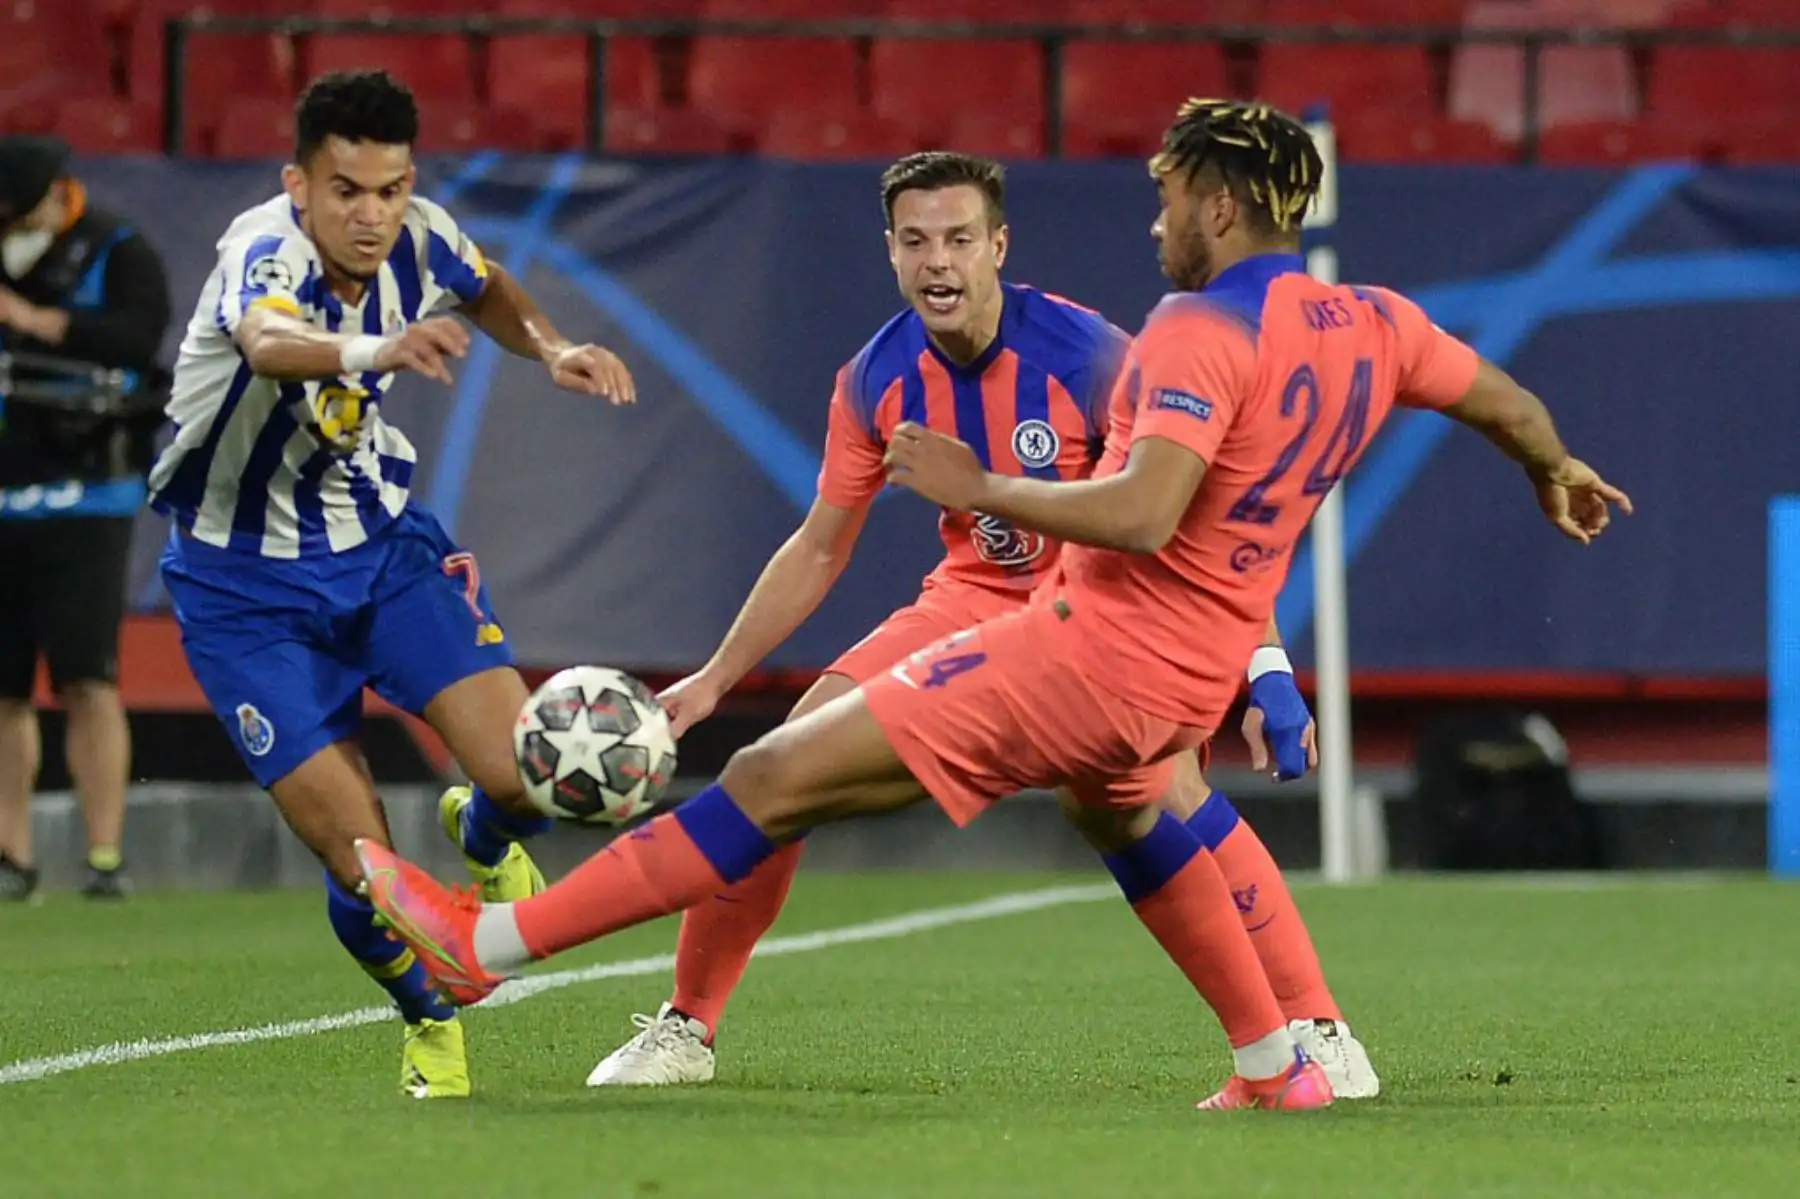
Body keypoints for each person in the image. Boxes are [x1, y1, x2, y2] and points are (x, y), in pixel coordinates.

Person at [356, 98, 1630, 1111]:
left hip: (1091, 644)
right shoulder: (1380, 320)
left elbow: (1143, 512)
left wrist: (987, 485)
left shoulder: (1170, 334)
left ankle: (493, 943)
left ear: (1226, 205)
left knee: (768, 786)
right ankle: (1275, 1059)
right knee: (1124, 814)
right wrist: (1556, 465)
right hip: (1132, 649)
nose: (1157, 228)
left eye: (1174, 200)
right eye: (916, 236)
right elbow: (1503, 405)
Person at [584, 150, 1374, 1099]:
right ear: (890, 252)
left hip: (1111, 611)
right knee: (787, 758)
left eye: (960, 238)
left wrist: (1269, 668)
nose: (939, 262)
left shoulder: (1094, 357)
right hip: (974, 598)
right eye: (916, 241)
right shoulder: (875, 376)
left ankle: (1313, 1025)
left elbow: (1200, 521)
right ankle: (687, 1026)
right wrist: (715, 676)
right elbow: (821, 545)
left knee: (1162, 790)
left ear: (999, 245)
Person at [146, 70, 636, 1098]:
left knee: (527, 777)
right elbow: (267, 344)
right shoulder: (260, 251)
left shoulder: (423, 235)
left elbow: (487, 280)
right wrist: (377, 347)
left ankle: (481, 827)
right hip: (243, 593)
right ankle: (429, 1021)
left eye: (391, 188)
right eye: (346, 191)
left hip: (380, 550)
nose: (372, 215)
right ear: (299, 183)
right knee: (367, 864)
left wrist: (551, 346)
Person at [0, 134, 173, 901]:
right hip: (5, 489)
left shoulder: (117, 249)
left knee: (86, 677)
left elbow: (141, 341)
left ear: (49, 196)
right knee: (3, 690)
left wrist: (40, 322)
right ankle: (14, 855)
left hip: (89, 493)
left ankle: (104, 856)